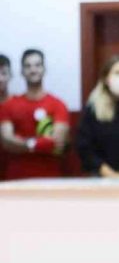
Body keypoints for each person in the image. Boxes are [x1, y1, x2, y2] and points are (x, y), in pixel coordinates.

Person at [0, 49, 70, 180]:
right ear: (22, 71)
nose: (33, 70)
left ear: (44, 69)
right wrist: (40, 143)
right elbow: (7, 141)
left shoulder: (58, 104)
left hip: (50, 179)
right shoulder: (8, 106)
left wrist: (23, 143)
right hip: (16, 179)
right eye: (28, 66)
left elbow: (57, 142)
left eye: (37, 65)